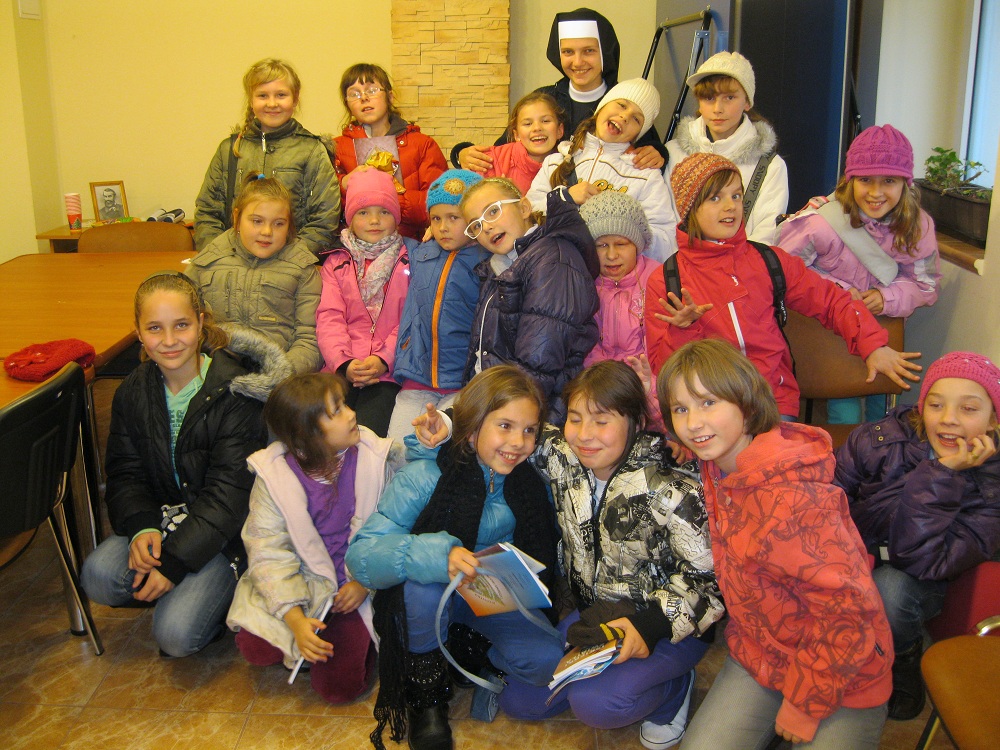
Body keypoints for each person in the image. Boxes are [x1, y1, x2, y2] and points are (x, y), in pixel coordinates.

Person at [419, 361, 723, 749]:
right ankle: (613, 678)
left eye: (601, 421)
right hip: (597, 615)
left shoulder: (673, 486)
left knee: (598, 704)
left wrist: (649, 627)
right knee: (520, 701)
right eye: (575, 419)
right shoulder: (565, 457)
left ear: (634, 422)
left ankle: (673, 691)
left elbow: (707, 584)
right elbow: (511, 422)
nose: (584, 434)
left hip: (663, 626)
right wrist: (448, 422)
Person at [658, 338, 893, 749]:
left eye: (709, 402)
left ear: (748, 405)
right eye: (681, 409)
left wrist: (804, 704)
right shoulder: (719, 466)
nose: (693, 423)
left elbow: (848, 612)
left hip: (843, 671)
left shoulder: (792, 499)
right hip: (764, 654)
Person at [345, 365, 565, 750]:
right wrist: (433, 554)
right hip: (432, 595)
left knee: (546, 662)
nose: (518, 442)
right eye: (505, 426)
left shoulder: (528, 483)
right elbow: (361, 556)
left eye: (529, 430)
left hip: (489, 595)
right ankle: (426, 698)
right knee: (423, 588)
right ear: (473, 427)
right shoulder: (425, 476)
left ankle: (464, 649)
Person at [80, 272, 282, 657]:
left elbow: (229, 498)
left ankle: (214, 590)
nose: (170, 340)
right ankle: (179, 585)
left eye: (182, 325)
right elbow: (124, 473)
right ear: (138, 333)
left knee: (176, 636)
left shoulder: (235, 391)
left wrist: (173, 564)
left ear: (201, 324)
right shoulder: (133, 390)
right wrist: (141, 526)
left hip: (225, 536)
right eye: (155, 328)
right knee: (97, 577)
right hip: (166, 518)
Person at [645, 153, 922, 421]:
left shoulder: (769, 260)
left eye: (736, 195)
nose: (730, 206)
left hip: (772, 403)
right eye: (715, 198)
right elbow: (662, 368)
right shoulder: (668, 280)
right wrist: (682, 330)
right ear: (690, 209)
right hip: (709, 409)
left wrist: (872, 345)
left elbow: (833, 301)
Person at [835, 351, 1000, 721]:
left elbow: (919, 560)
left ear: (993, 420)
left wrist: (943, 474)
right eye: (936, 405)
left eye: (968, 409)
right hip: (854, 551)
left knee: (890, 592)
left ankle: (904, 653)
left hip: (918, 572)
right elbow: (827, 493)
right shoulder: (879, 439)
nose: (949, 418)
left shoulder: (993, 485)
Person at [226, 372, 406, 703]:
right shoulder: (274, 476)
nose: (351, 414)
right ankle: (307, 640)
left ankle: (357, 643)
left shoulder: (377, 460)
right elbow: (267, 551)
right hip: (302, 580)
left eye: (345, 405)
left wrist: (364, 583)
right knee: (255, 648)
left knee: (339, 689)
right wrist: (294, 618)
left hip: (353, 585)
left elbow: (394, 528)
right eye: (336, 411)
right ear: (306, 434)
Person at [779, 124, 940, 423]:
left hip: (885, 329)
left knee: (884, 409)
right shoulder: (818, 224)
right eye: (865, 180)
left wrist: (886, 298)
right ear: (850, 179)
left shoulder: (917, 227)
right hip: (835, 333)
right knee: (845, 409)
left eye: (889, 181)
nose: (876, 193)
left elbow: (925, 285)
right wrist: (837, 291)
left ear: (905, 183)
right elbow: (784, 272)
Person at [454, 8, 666, 172]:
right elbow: (502, 150)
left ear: (604, 53)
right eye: (568, 52)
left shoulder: (623, 104)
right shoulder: (544, 98)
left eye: (589, 51)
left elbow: (652, 150)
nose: (578, 62)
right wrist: (462, 153)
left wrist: (658, 153)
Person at [459, 177, 599, 422]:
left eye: (493, 211)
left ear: (524, 208)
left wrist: (492, 415)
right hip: (497, 402)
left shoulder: (552, 259)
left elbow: (537, 364)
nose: (487, 227)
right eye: (476, 225)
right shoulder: (499, 266)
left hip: (531, 413)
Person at [194, 58, 340, 255]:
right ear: (251, 100)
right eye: (263, 95)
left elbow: (325, 220)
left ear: (295, 99)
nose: (272, 103)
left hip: (292, 264)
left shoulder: (312, 150)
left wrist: (290, 259)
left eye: (281, 95)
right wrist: (221, 257)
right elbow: (207, 213)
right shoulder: (230, 149)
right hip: (232, 262)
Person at [527, 77, 678, 262]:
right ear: (602, 107)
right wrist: (565, 198)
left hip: (614, 277)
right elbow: (527, 216)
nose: (625, 116)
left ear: (639, 133)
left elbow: (665, 241)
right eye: (622, 105)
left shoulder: (645, 176)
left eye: (636, 119)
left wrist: (622, 229)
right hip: (553, 270)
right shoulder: (554, 162)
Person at [387, 169, 488, 441]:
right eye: (436, 218)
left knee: (439, 449)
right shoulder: (421, 254)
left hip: (463, 382)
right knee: (397, 448)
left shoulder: (488, 261)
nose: (443, 227)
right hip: (416, 375)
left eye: (454, 217)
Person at [186, 176, 322, 375]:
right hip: (213, 371)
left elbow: (310, 340)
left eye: (278, 224)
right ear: (237, 219)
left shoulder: (302, 269)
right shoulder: (207, 263)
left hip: (278, 374)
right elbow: (184, 326)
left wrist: (279, 375)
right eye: (257, 221)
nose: (267, 231)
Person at [316, 169, 415, 438]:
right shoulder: (337, 261)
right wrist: (343, 362)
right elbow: (329, 317)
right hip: (341, 368)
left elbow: (411, 319)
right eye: (363, 212)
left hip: (389, 371)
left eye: (384, 211)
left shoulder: (413, 259)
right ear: (350, 218)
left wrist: (383, 359)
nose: (374, 220)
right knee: (323, 435)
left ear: (396, 216)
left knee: (368, 435)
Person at [665, 51, 788, 244]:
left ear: (747, 102)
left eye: (729, 98)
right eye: (709, 98)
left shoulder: (770, 166)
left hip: (742, 263)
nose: (717, 109)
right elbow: (665, 224)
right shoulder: (673, 152)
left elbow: (767, 234)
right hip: (681, 261)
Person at [333, 63, 448, 242]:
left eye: (372, 90)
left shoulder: (422, 144)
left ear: (390, 96)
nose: (364, 98)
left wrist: (387, 197)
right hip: (354, 249)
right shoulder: (336, 148)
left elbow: (440, 204)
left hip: (411, 246)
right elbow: (324, 211)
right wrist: (344, 184)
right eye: (354, 94)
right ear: (347, 104)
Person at [579, 190, 658, 367]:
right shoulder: (584, 283)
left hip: (646, 375)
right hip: (600, 375)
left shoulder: (656, 279)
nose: (612, 255)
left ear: (637, 245)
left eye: (621, 244)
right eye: (601, 245)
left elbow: (661, 344)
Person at [479, 92, 565, 194]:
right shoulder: (490, 160)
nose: (537, 128)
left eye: (545, 121)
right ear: (516, 135)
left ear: (559, 130)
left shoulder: (568, 166)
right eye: (528, 123)